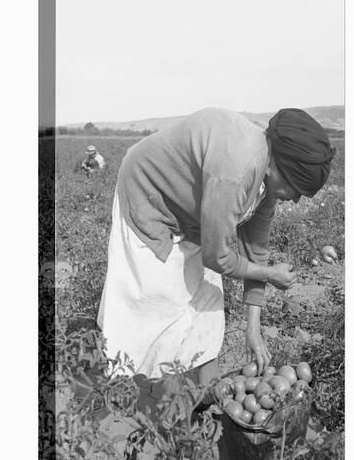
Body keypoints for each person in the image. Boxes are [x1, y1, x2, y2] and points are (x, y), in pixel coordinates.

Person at [97, 107, 335, 394]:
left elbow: (255, 252)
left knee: (206, 302)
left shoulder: (266, 179)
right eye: (295, 189)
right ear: (279, 167)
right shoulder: (238, 169)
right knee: (158, 307)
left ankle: (208, 394)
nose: (295, 200)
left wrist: (253, 330)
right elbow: (217, 256)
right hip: (148, 196)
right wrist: (270, 274)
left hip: (193, 215)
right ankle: (143, 398)